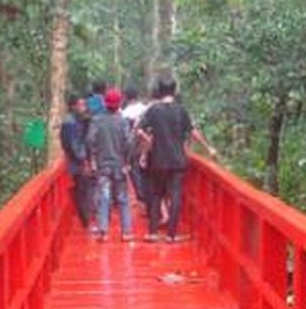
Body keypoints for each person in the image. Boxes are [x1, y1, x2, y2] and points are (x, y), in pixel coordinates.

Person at [137, 76, 216, 243]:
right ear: (174, 90)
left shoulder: (153, 110)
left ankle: (152, 233)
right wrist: (208, 148)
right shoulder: (181, 110)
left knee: (157, 194)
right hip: (177, 159)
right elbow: (193, 132)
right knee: (175, 195)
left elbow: (139, 130)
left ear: (159, 90)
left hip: (158, 159)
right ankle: (171, 235)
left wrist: (148, 142)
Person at [86, 87, 134, 242]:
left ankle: (104, 231)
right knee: (122, 198)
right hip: (119, 165)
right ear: (119, 103)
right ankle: (126, 232)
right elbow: (128, 143)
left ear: (105, 103)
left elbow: (89, 141)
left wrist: (92, 158)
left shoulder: (97, 120)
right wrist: (127, 162)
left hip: (103, 165)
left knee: (104, 197)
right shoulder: (123, 121)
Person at [59, 94, 94, 229]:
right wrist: (84, 160)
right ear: (73, 106)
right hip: (76, 163)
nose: (83, 108)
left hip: (77, 161)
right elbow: (74, 145)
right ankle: (85, 222)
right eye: (81, 105)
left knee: (83, 190)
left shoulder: (77, 120)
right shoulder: (70, 123)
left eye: (84, 105)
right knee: (82, 192)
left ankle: (86, 220)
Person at [120, 85, 149, 206]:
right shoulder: (145, 109)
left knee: (134, 171)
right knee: (146, 171)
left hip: (133, 145)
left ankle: (141, 197)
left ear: (126, 97)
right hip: (146, 144)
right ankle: (148, 198)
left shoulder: (124, 113)